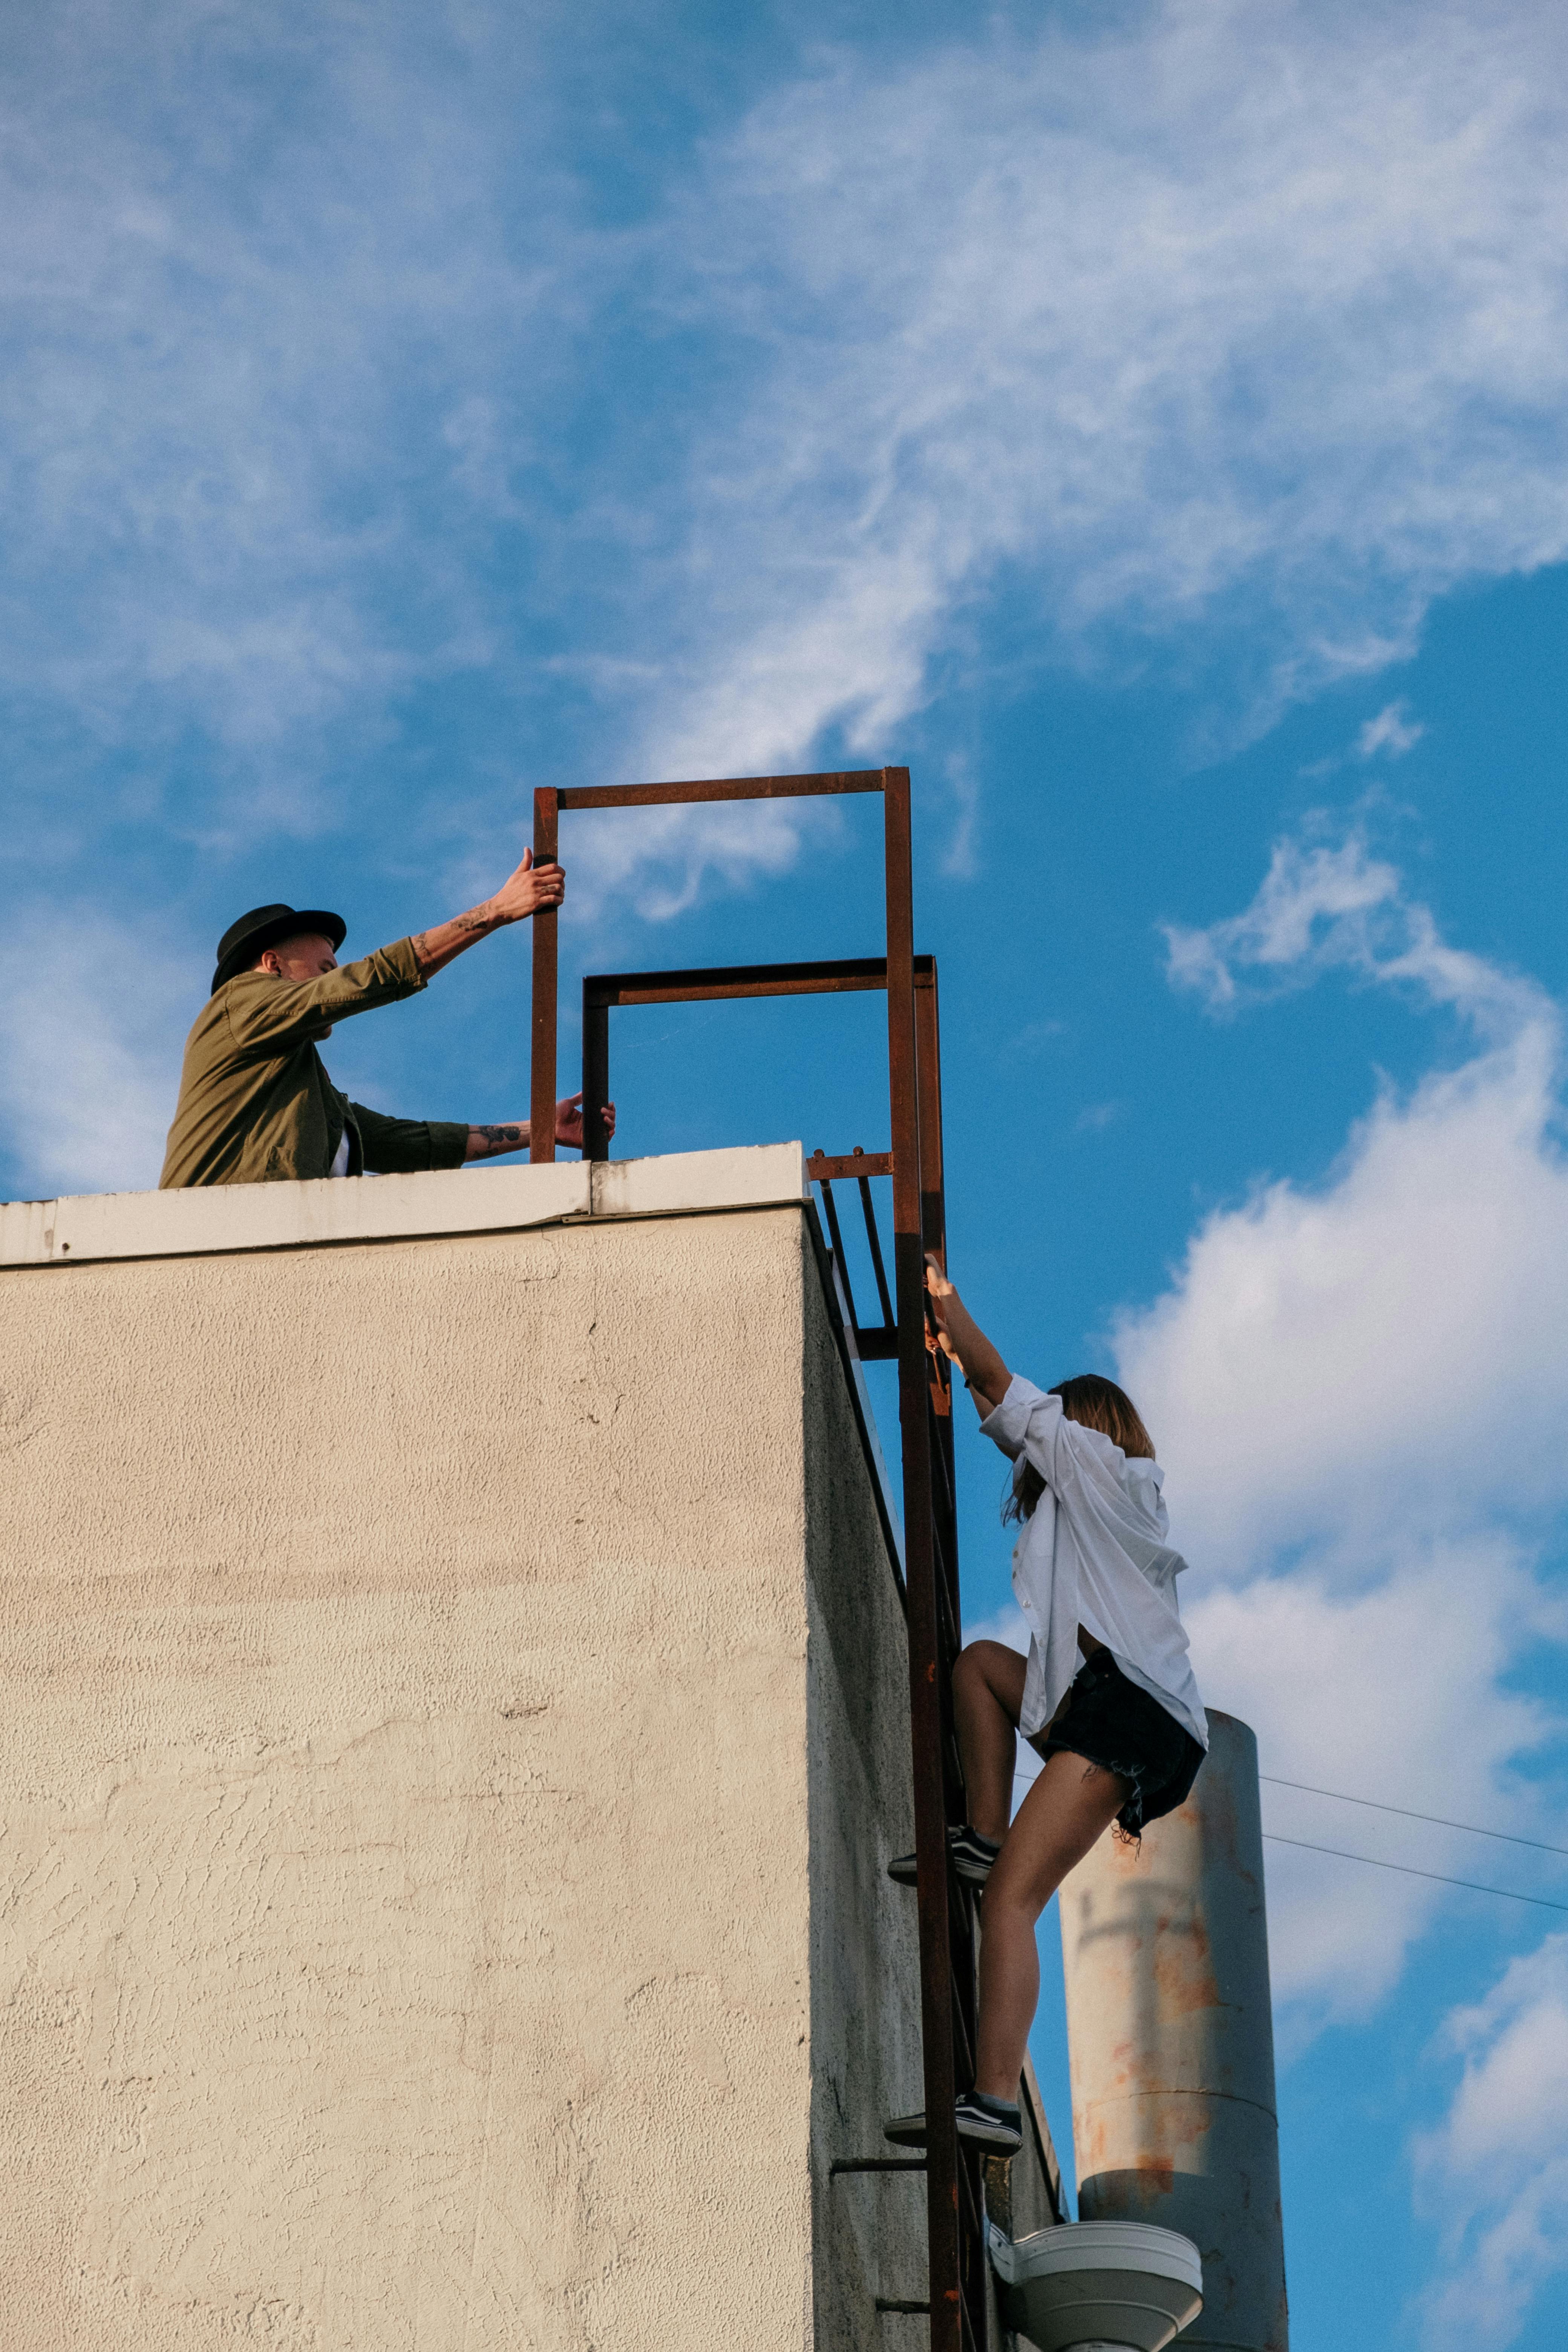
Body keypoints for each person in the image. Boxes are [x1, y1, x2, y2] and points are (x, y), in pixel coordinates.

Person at [900, 1257, 1207, 2157]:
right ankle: (985, 1831)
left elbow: (1003, 1392)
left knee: (1010, 1902)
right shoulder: (1109, 1502)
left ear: (1083, 1425)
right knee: (981, 1669)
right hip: (1107, 1706)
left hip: (1126, 1715)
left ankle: (993, 2102)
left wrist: (945, 1306)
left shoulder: (1097, 1463)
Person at [160, 850, 614, 1188]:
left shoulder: (311, 1098)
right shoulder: (237, 1003)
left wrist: (540, 1128)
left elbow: (407, 1143)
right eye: (324, 969)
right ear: (273, 965)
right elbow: (367, 980)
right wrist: (493, 912)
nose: (334, 976)